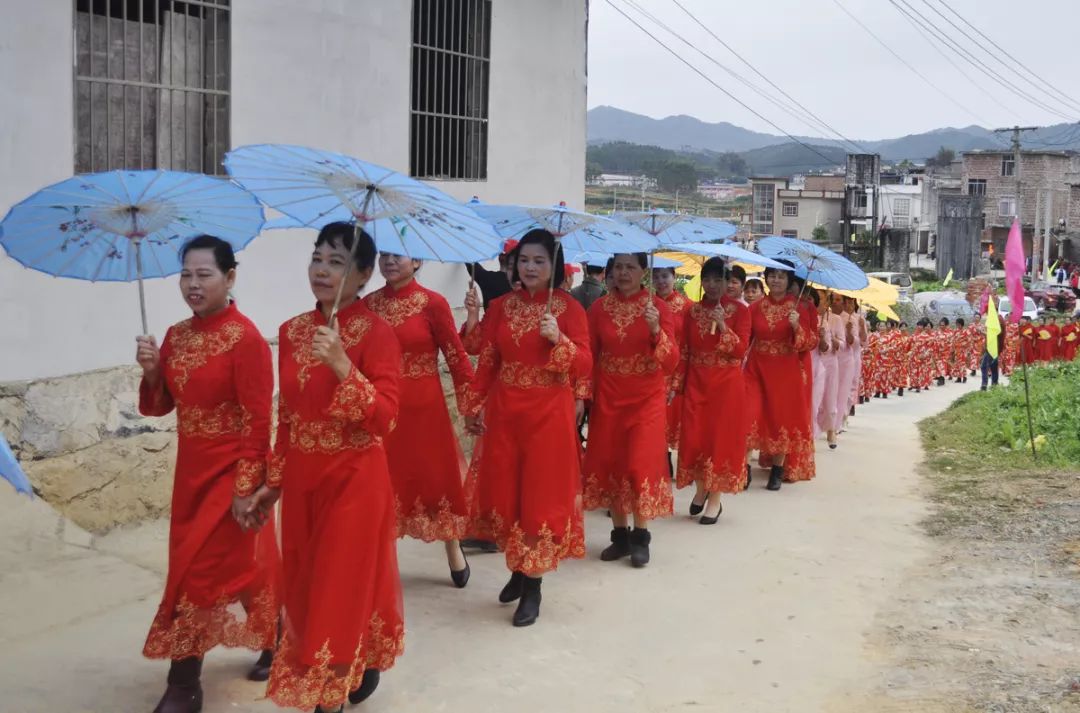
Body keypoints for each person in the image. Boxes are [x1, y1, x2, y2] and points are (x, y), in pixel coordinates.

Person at [252, 222, 404, 712]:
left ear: (362, 276)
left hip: (356, 478)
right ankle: (355, 667)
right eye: (317, 258)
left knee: (339, 583)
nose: (321, 269)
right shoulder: (292, 331)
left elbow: (385, 418)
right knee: (305, 582)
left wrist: (343, 364)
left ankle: (328, 697)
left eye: (336, 262)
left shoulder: (378, 333)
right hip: (303, 480)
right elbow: (288, 416)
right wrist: (272, 482)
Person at [136, 236, 280, 713]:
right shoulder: (177, 335)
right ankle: (278, 634)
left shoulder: (247, 339)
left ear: (230, 278)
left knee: (196, 574)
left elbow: (259, 420)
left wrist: (247, 489)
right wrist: (155, 371)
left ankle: (184, 685)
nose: (192, 285)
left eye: (204, 275)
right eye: (186, 275)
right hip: (191, 475)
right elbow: (162, 406)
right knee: (241, 569)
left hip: (229, 473)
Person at [461, 229, 591, 627]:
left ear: (554, 267)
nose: (530, 267)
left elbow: (585, 364)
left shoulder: (569, 309)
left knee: (540, 497)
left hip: (548, 416)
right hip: (505, 413)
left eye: (539, 261)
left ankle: (533, 586)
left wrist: (560, 341)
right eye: (524, 260)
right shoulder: (501, 306)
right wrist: (473, 403)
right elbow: (487, 360)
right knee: (509, 493)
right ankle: (518, 570)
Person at [365, 252, 475, 587]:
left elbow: (457, 359)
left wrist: (471, 407)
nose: (389, 261)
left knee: (436, 480)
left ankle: (452, 546)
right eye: (384, 255)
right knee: (384, 482)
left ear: (416, 262)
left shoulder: (433, 304)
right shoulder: (367, 306)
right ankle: (381, 562)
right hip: (382, 410)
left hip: (425, 411)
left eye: (398, 256)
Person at [583, 254, 678, 563]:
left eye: (630, 267)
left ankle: (641, 536)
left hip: (646, 398)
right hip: (609, 395)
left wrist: (655, 331)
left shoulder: (659, 308)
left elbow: (672, 360)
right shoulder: (598, 308)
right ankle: (619, 535)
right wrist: (582, 395)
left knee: (638, 464)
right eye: (618, 267)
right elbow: (589, 355)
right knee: (612, 462)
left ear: (644, 272)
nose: (623, 273)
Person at [674, 257, 751, 521]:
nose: (712, 285)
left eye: (718, 280)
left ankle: (714, 500)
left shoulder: (741, 311)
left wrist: (725, 326)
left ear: (728, 282)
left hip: (725, 385)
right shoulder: (691, 312)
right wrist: (677, 384)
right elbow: (684, 350)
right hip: (696, 381)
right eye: (707, 279)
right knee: (696, 437)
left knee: (719, 440)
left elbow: (740, 351)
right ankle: (700, 488)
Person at [745, 264, 818, 490]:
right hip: (756, 368)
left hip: (785, 371)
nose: (776, 280)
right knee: (749, 415)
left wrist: (797, 326)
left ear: (788, 280)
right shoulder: (755, 308)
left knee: (781, 418)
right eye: (772, 276)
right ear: (766, 278)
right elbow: (745, 339)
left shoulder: (799, 308)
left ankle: (778, 468)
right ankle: (744, 467)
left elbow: (809, 342)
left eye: (781, 276)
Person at [653, 265, 693, 470]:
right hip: (654, 368)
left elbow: (688, 343)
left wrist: (679, 378)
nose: (661, 281)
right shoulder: (649, 305)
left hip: (679, 366)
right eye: (656, 277)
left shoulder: (687, 307)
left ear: (674, 277)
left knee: (676, 417)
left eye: (665, 276)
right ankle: (662, 457)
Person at [817, 292, 842, 447]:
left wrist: (834, 341)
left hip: (831, 362)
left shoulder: (835, 319)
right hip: (815, 360)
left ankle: (831, 429)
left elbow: (843, 342)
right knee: (814, 399)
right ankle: (813, 430)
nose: (820, 303)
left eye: (823, 300)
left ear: (827, 302)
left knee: (830, 397)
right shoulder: (810, 317)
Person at [466, 239, 517, 309]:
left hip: (490, 319)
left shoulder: (487, 278)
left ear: (500, 257)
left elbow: (471, 265)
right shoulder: (524, 283)